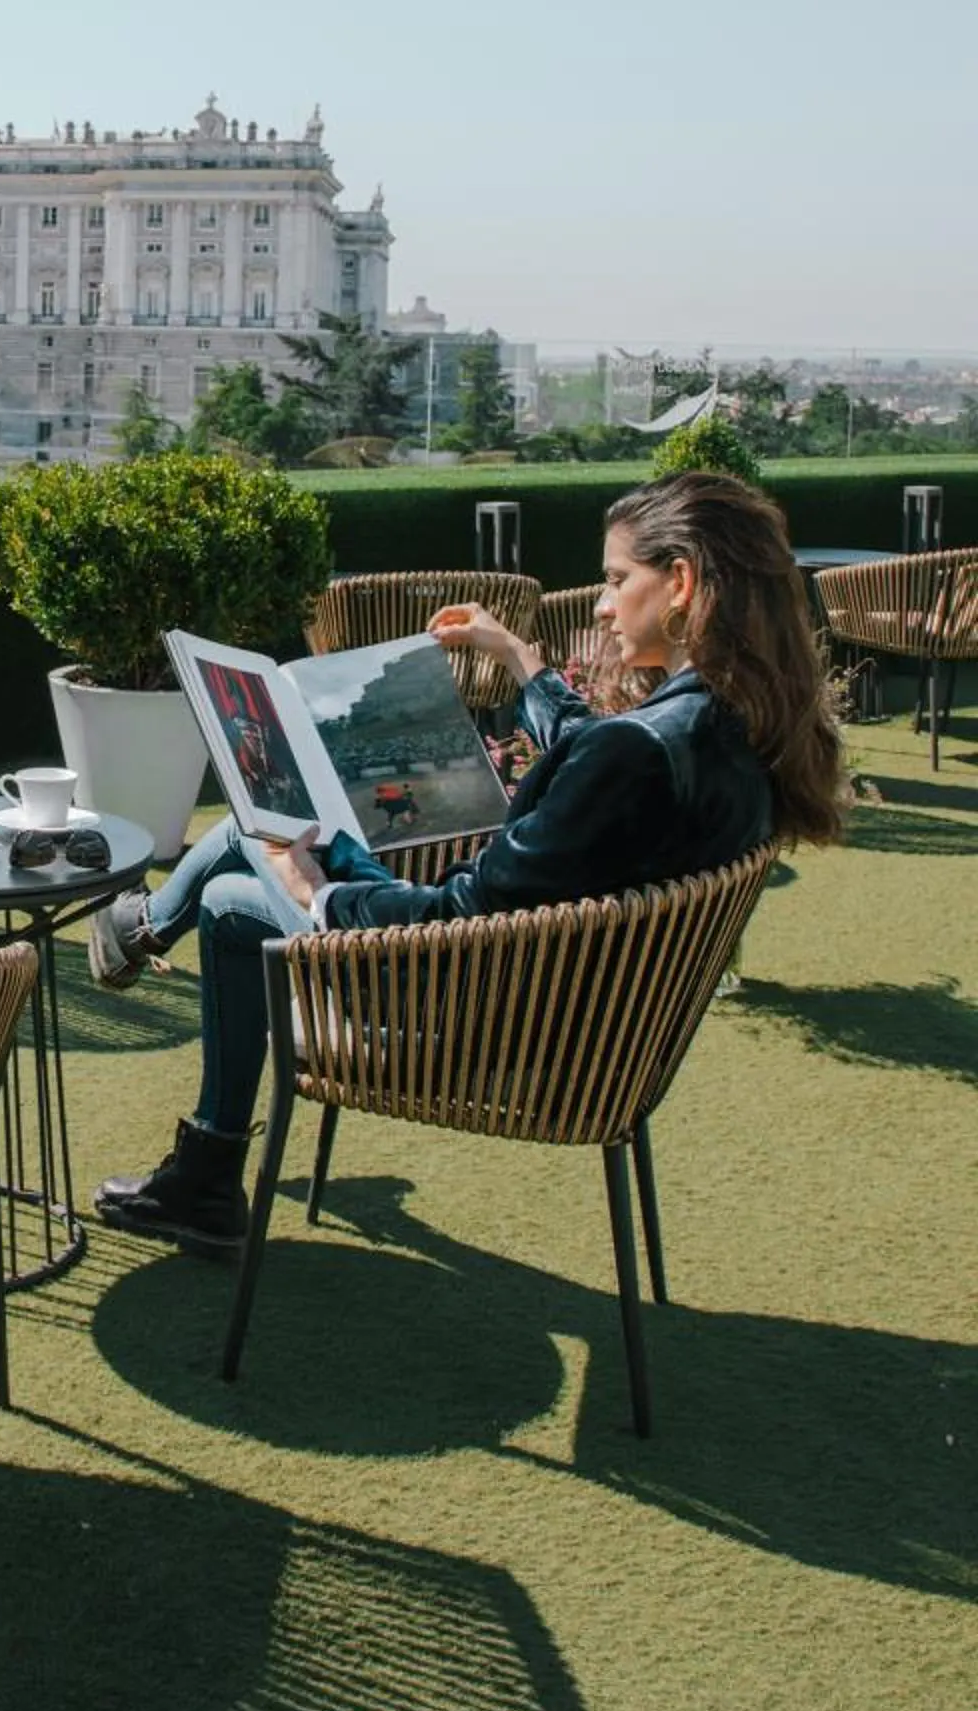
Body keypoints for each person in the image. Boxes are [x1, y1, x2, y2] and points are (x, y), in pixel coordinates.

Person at [92, 470, 849, 1257]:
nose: (600, 603)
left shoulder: (638, 751)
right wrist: (519, 658)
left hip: (468, 1015)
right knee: (265, 852)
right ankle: (175, 1055)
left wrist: (316, 895)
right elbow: (598, 766)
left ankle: (154, 967)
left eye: (617, 579)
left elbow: (464, 918)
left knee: (253, 862)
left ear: (683, 582)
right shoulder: (739, 733)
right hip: (586, 1027)